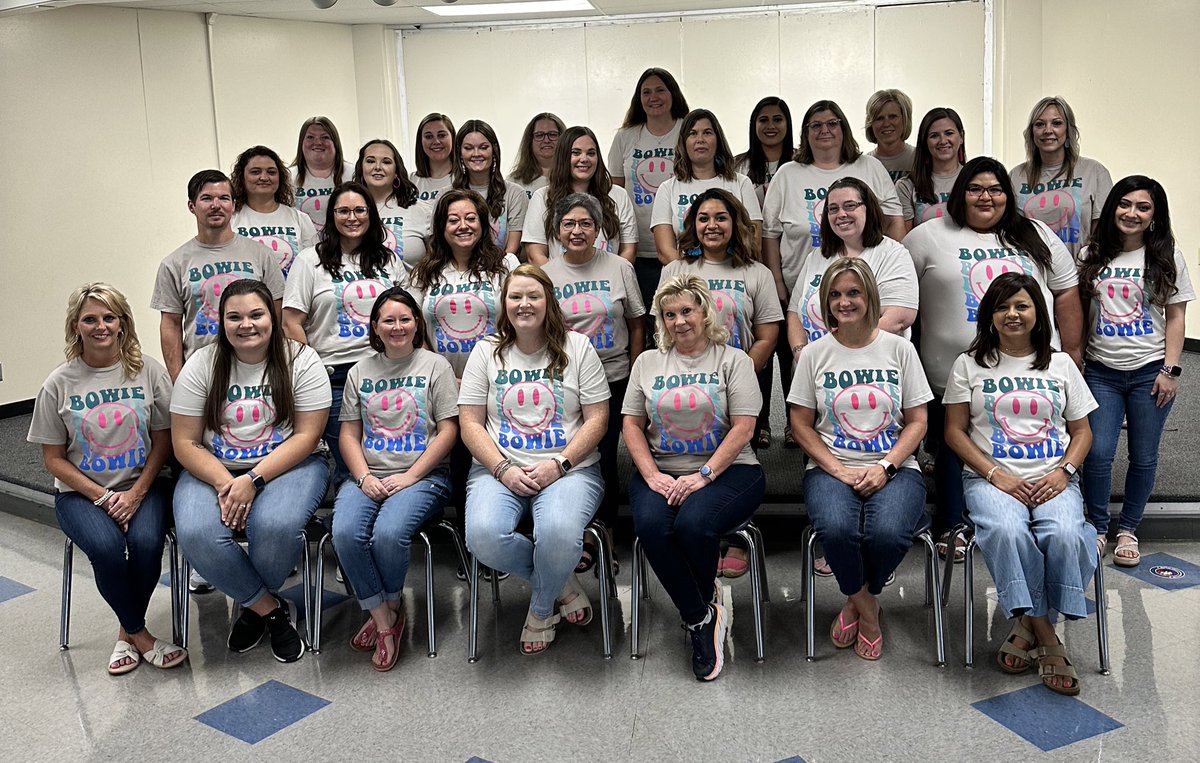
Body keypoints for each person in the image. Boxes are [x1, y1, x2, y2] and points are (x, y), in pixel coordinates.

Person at [905, 156, 1082, 557]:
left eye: (996, 189)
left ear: (1008, 195)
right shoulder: (927, 236)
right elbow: (900, 293)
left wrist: (1071, 352)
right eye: (975, 189)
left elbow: (1067, 291)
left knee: (1019, 440)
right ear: (960, 194)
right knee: (955, 446)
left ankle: (1025, 517)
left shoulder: (1035, 234)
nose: (986, 197)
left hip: (1030, 370)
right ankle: (953, 525)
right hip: (949, 373)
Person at [943, 272, 1098, 696]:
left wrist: (1063, 472)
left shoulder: (1061, 363)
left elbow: (1083, 432)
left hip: (1054, 476)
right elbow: (954, 432)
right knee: (1008, 530)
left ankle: (1024, 624)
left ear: (1037, 313)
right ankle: (1047, 636)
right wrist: (996, 474)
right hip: (990, 478)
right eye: (1002, 306)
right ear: (989, 315)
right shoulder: (969, 364)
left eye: (1021, 306)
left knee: (1067, 533)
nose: (1012, 314)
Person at [28, 283, 186, 675]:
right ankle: (140, 635)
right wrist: (103, 497)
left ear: (122, 324)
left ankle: (125, 634)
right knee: (107, 548)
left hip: (144, 484)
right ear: (75, 327)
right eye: (90, 319)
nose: (100, 326)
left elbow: (165, 440)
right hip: (80, 495)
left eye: (108, 317)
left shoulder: (148, 371)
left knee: (148, 542)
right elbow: (53, 459)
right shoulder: (58, 383)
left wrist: (135, 494)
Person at [171, 279, 331, 664]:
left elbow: (308, 435)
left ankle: (250, 606)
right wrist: (228, 482)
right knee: (196, 533)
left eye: (256, 314)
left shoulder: (301, 360)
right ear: (221, 322)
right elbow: (184, 442)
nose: (247, 324)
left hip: (290, 464)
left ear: (273, 318)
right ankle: (270, 610)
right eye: (235, 317)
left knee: (274, 527)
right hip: (214, 469)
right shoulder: (201, 364)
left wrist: (253, 479)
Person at [459, 264, 610, 655]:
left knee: (559, 533)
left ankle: (541, 610)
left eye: (533, 296)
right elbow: (470, 425)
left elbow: (598, 419)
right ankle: (561, 585)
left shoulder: (578, 347)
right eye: (515, 296)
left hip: (569, 470)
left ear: (549, 302)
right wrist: (503, 469)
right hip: (498, 470)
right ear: (504, 304)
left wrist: (559, 464)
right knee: (483, 536)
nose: (524, 304)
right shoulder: (485, 352)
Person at [787, 258, 931, 660]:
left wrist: (886, 467)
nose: (844, 302)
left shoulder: (900, 349)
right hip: (831, 468)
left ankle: (855, 600)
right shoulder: (815, 354)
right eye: (835, 294)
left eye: (853, 292)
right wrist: (837, 470)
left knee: (887, 533)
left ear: (870, 295)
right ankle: (869, 611)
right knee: (835, 529)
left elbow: (918, 421)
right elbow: (800, 424)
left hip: (896, 466)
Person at [623, 274, 766, 681]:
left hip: (731, 469)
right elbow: (631, 425)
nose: (679, 321)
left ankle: (698, 611)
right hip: (662, 469)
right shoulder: (647, 362)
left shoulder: (733, 359)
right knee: (651, 525)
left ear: (705, 312)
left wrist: (704, 475)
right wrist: (651, 475)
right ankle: (702, 615)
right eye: (670, 315)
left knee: (694, 524)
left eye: (687, 311)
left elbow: (744, 428)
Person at [763, 100, 904, 446]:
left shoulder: (868, 166)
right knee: (798, 357)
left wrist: (890, 256)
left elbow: (893, 219)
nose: (825, 130)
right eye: (816, 125)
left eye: (832, 123)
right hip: (804, 279)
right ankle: (800, 425)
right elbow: (769, 233)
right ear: (805, 133)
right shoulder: (788, 174)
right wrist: (778, 280)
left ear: (844, 128)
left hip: (864, 286)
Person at [333, 286, 459, 671]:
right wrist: (364, 476)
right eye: (388, 319)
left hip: (424, 477)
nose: (398, 326)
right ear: (374, 326)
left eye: (405, 319)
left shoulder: (435, 366)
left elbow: (448, 431)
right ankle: (386, 616)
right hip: (369, 475)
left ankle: (382, 614)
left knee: (388, 533)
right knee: (344, 532)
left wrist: (410, 476)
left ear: (417, 323)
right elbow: (348, 435)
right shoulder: (359, 371)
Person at [658, 189, 780, 577]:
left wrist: (742, 373)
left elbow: (767, 332)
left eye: (721, 217)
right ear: (692, 225)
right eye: (704, 218)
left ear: (735, 223)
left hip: (737, 382)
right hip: (685, 387)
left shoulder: (755, 273)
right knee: (698, 449)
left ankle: (736, 529)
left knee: (737, 453)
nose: (712, 225)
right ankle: (699, 526)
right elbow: (662, 330)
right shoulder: (675, 270)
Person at [1079, 177, 1194, 566]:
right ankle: (1096, 526)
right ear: (1112, 207)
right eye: (1125, 204)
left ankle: (1128, 528)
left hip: (1150, 371)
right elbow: (1077, 312)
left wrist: (1171, 370)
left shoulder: (1166, 257)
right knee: (1097, 453)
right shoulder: (1091, 255)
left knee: (1144, 456)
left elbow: (1176, 317)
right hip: (1101, 371)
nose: (1132, 213)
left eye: (1143, 207)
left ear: (1154, 215)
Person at [542, 193, 645, 573]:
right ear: (556, 230)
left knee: (603, 459)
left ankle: (604, 537)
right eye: (568, 223)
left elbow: (637, 323)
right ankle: (573, 532)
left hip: (615, 376)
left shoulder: (619, 267)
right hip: (567, 384)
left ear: (599, 229)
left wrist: (636, 372)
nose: (577, 230)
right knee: (575, 456)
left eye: (585, 223)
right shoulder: (548, 274)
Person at [283, 181, 409, 481]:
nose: (352, 217)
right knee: (350, 469)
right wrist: (311, 371)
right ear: (331, 217)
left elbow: (408, 316)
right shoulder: (309, 261)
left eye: (359, 210)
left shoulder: (388, 260)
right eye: (343, 211)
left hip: (388, 373)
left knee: (388, 460)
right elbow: (291, 322)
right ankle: (349, 522)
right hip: (334, 377)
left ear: (371, 214)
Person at [408, 189, 520, 511]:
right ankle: (468, 549)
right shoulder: (424, 272)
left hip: (498, 379)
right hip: (444, 383)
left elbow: (518, 320)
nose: (463, 225)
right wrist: (444, 376)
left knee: (497, 456)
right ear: (441, 227)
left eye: (471, 218)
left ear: (483, 224)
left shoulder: (505, 264)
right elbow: (416, 329)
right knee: (458, 463)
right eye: (453, 219)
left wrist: (476, 378)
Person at [152, 171, 286, 379]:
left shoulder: (261, 254)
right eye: (206, 198)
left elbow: (277, 312)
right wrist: (177, 378)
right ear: (191, 206)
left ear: (233, 205)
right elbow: (170, 324)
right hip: (203, 372)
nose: (216, 205)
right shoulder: (174, 263)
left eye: (223, 198)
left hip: (257, 368)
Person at [786, 177, 918, 350]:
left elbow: (899, 319)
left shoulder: (893, 254)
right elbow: (795, 312)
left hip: (868, 365)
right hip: (815, 366)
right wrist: (800, 351)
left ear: (868, 208)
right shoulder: (816, 257)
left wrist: (838, 351)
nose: (841, 214)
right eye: (833, 209)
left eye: (850, 206)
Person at [608, 68, 691, 335]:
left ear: (672, 94)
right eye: (646, 92)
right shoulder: (625, 136)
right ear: (638, 98)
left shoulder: (687, 129)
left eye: (660, 90)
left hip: (683, 250)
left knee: (682, 321)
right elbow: (615, 194)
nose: (653, 97)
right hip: (639, 250)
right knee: (646, 325)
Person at [651, 109, 762, 263]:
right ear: (683, 142)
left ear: (718, 140)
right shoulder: (667, 189)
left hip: (733, 273)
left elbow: (754, 242)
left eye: (707, 133)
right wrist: (697, 278)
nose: (700, 139)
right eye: (693, 133)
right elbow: (665, 251)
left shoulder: (741, 183)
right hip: (685, 281)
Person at [1010, 97, 1113, 257]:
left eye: (1056, 123)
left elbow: (1103, 234)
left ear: (1069, 130)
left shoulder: (1094, 171)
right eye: (1039, 124)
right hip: (1031, 274)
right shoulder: (1016, 175)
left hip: (1080, 272)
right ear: (1031, 132)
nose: (1047, 130)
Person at [523, 125, 638, 265]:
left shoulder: (618, 195)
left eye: (591, 153)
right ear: (563, 157)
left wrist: (612, 276)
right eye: (576, 153)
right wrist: (558, 282)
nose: (584, 159)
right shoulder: (542, 197)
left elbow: (629, 250)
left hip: (608, 283)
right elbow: (535, 254)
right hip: (559, 284)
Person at [230, 145, 318, 278]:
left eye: (271, 172)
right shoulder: (231, 219)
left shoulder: (300, 219)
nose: (264, 177)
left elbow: (314, 267)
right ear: (242, 177)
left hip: (290, 297)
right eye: (255, 172)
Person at [451, 119, 527, 255]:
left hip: (501, 271)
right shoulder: (446, 195)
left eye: (483, 147)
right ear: (460, 154)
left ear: (494, 150)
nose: (476, 154)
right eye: (468, 148)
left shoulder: (515, 193)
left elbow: (512, 251)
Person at [353, 138, 431, 266]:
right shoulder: (348, 213)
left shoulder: (421, 210)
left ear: (396, 172)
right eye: (370, 161)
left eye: (386, 162)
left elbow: (438, 260)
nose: (377, 167)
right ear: (361, 169)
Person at [895, 107, 966, 234]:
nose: (943, 141)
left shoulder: (975, 179)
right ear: (925, 142)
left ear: (961, 137)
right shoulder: (906, 185)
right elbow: (905, 240)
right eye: (934, 136)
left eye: (949, 133)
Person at [290, 116, 354, 232]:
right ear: (301, 143)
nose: (318, 142)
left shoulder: (354, 174)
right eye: (310, 137)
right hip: (304, 247)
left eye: (325, 137)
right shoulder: (287, 177)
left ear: (335, 143)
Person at [734, 96, 794, 207]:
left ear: (787, 123)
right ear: (754, 125)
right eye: (763, 120)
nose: (771, 126)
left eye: (777, 120)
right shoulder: (737, 165)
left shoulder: (801, 162)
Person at [864, 89, 916, 182]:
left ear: (905, 119)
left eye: (893, 117)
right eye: (879, 118)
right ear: (870, 124)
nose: (886, 124)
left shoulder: (920, 159)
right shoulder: (864, 165)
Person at [509, 112, 565, 199]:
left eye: (552, 134)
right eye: (539, 135)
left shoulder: (573, 177)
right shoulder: (514, 181)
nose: (546, 140)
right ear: (530, 141)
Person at [411, 112, 456, 203]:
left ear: (453, 138)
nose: (436, 141)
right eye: (429, 136)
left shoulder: (465, 179)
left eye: (442, 135)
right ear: (421, 142)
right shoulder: (410, 181)